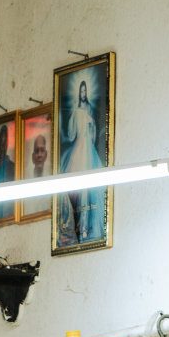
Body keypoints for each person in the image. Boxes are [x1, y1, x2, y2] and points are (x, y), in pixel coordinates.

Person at [59, 79, 101, 242]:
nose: (83, 94)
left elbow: (94, 131)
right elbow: (71, 133)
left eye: (85, 91)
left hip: (88, 146)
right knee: (75, 186)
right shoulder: (77, 110)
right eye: (81, 91)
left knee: (88, 189)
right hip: (79, 146)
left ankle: (86, 226)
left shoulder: (89, 108)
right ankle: (78, 224)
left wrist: (91, 124)